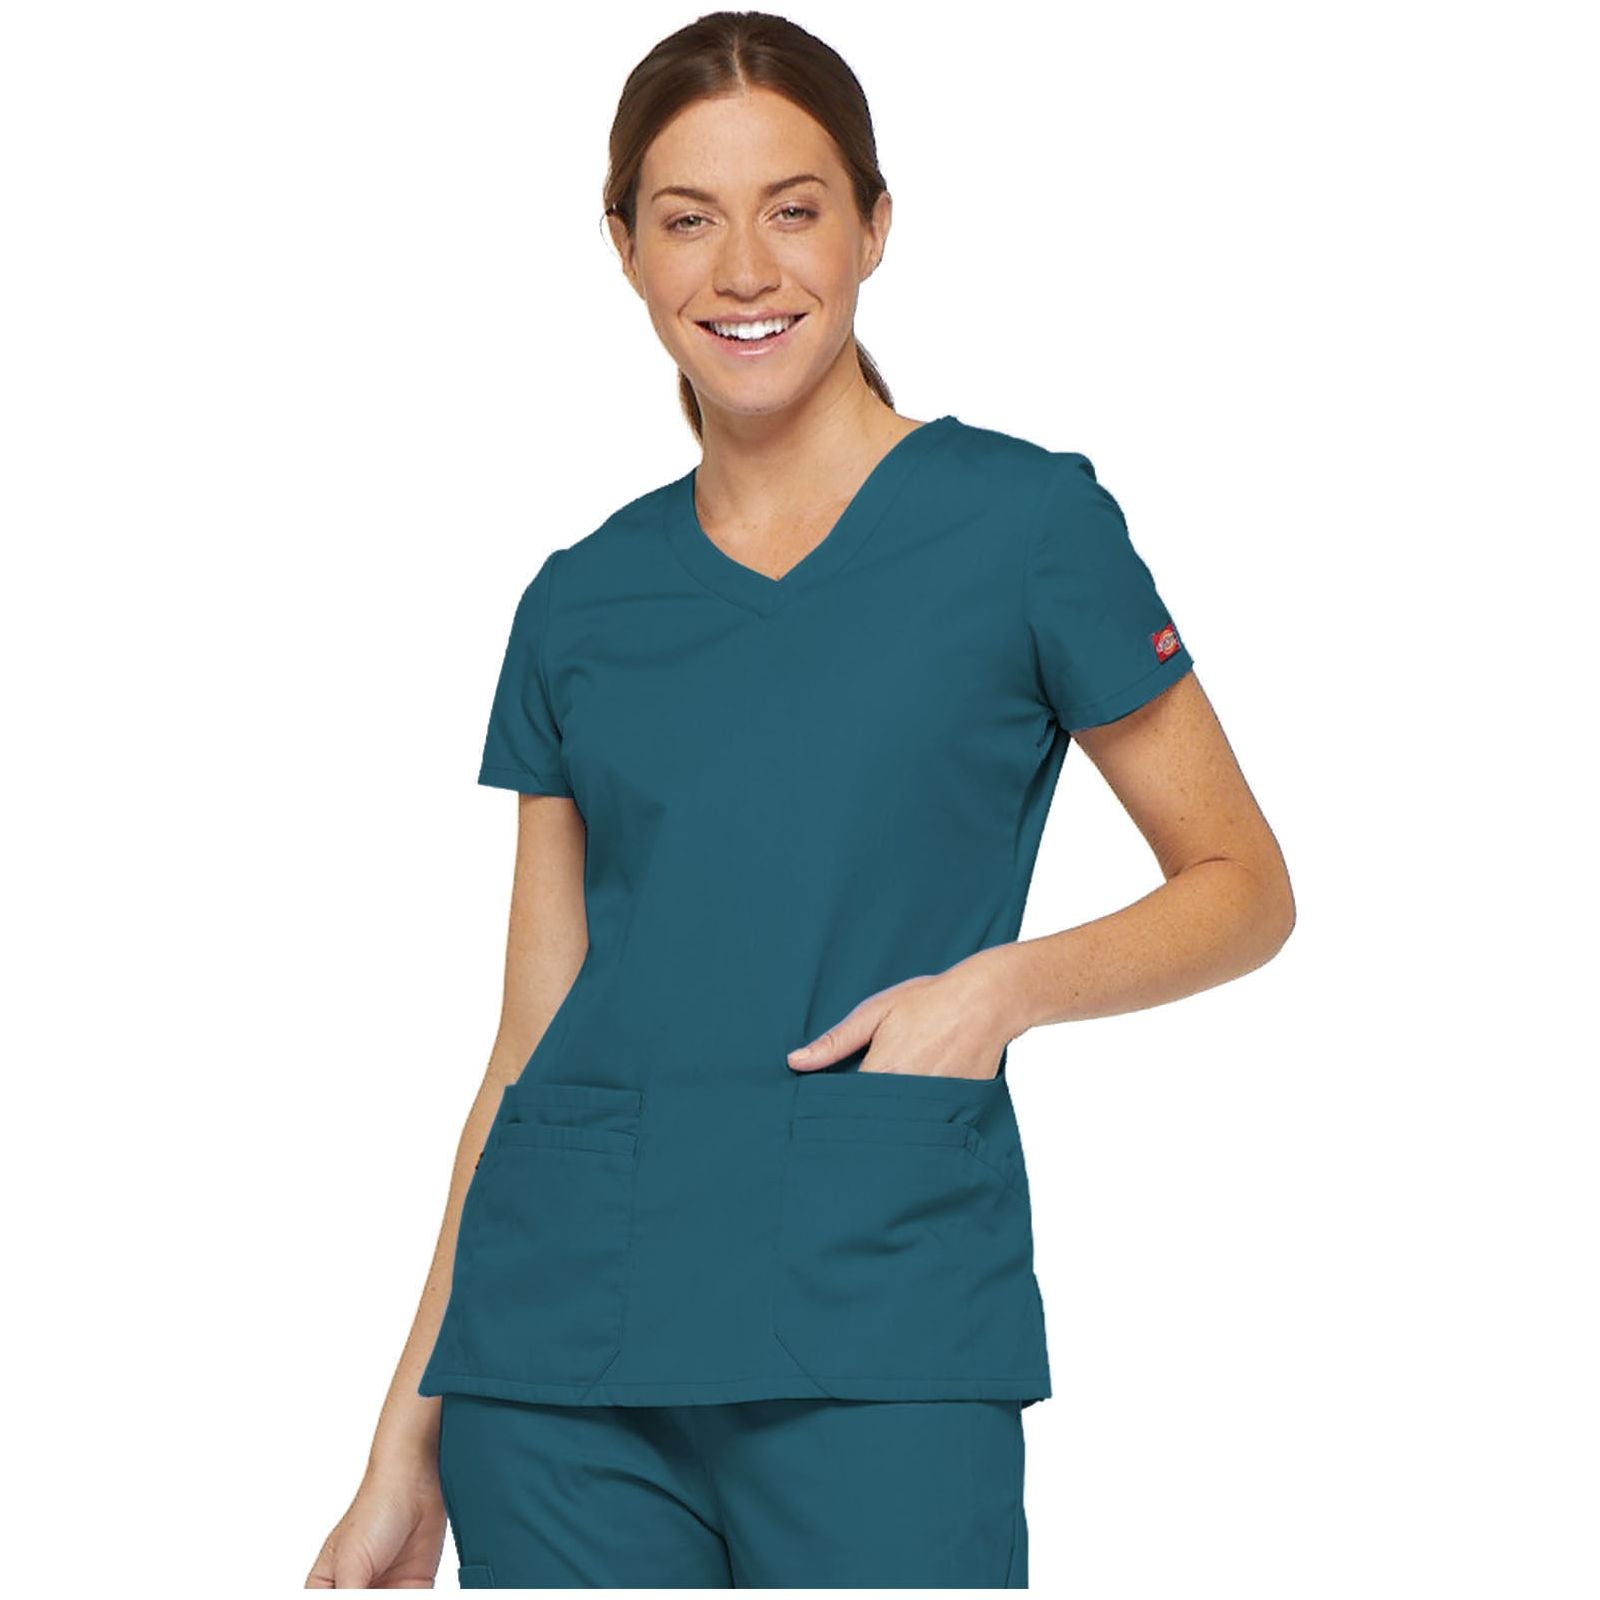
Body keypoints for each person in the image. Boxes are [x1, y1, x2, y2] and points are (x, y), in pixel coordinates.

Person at [306, 10, 1295, 1590]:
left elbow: (1244, 885)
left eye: (795, 208)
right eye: (688, 219)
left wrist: (1000, 992)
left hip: (878, 1324)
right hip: (556, 1370)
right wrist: (402, 1439)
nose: (746, 270)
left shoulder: (1026, 527)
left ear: (874, 226)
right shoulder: (578, 600)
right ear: (626, 250)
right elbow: (529, 1041)